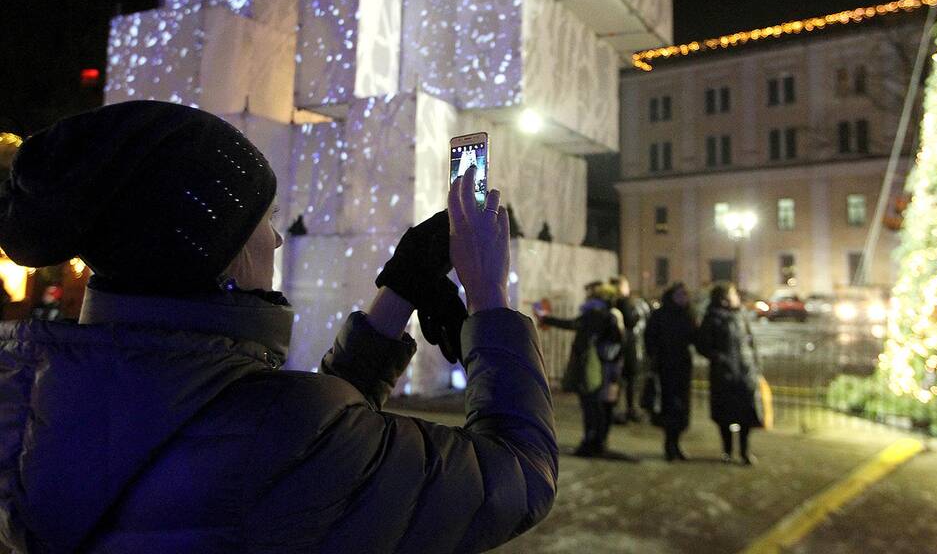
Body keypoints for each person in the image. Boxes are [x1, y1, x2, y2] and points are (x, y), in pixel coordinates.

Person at [0, 101, 556, 553]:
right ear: (224, 254)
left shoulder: (35, 393)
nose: (277, 237)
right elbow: (518, 477)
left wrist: (398, 294)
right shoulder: (279, 435)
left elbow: (289, 440)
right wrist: (488, 296)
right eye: (264, 220)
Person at [541, 281, 624, 457]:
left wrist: (546, 319)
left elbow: (573, 325)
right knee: (597, 404)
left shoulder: (593, 313)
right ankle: (597, 441)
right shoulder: (607, 314)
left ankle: (591, 441)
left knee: (591, 404)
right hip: (603, 366)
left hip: (591, 366)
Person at [695, 282, 763, 465]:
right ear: (724, 299)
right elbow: (702, 345)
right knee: (726, 415)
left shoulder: (741, 316)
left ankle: (744, 451)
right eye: (733, 294)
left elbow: (750, 342)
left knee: (746, 415)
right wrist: (719, 358)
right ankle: (727, 450)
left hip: (745, 372)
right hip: (724, 375)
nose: (737, 297)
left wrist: (756, 365)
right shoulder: (713, 318)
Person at [644, 282, 696, 461]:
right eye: (680, 294)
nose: (684, 298)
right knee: (669, 408)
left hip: (682, 367)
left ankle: (676, 443)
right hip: (665, 368)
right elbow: (649, 338)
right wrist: (654, 358)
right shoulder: (660, 315)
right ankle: (669, 445)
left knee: (681, 408)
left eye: (685, 294)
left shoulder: (688, 315)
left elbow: (695, 337)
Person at [610, 275, 647, 424]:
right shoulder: (624, 302)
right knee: (630, 379)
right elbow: (631, 321)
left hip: (617, 348)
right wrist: (637, 315)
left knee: (618, 381)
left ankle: (615, 410)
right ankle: (629, 410)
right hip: (627, 346)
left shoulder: (610, 302)